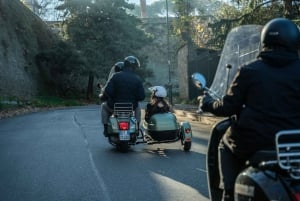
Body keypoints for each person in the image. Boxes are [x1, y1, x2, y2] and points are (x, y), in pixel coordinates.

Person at [200, 18, 300, 201]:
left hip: (255, 142)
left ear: (265, 41)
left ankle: (229, 193)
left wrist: (207, 103)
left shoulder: (250, 71)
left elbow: (227, 107)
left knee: (225, 143)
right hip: (294, 143)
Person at [100, 56, 145, 137]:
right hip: (131, 107)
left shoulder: (116, 76)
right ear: (134, 68)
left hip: (114, 106)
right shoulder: (137, 79)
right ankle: (137, 127)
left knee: (103, 107)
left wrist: (112, 96)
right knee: (138, 107)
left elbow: (107, 91)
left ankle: (106, 128)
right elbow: (142, 96)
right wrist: (135, 98)